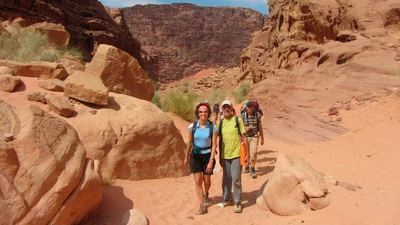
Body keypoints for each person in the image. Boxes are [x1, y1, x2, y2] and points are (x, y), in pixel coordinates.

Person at [184, 102, 218, 215]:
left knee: (206, 181)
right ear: (198, 113)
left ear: (208, 113)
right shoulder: (192, 127)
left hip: (208, 156)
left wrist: (211, 161)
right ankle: (202, 205)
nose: (203, 113)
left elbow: (214, 145)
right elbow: (189, 142)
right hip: (195, 155)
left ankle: (206, 193)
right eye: (201, 112)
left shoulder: (213, 127)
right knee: (198, 181)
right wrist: (186, 156)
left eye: (205, 111)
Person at [217, 99, 249, 213]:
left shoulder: (237, 120)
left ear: (232, 109)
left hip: (236, 155)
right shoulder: (220, 123)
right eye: (224, 107)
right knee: (226, 179)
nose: (226, 109)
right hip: (224, 156)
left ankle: (238, 202)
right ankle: (227, 199)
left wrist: (247, 155)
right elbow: (219, 140)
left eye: (228, 107)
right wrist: (219, 156)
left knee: (236, 179)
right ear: (222, 109)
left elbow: (244, 137)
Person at [241, 101, 264, 178]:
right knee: (246, 152)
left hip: (254, 136)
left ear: (253, 107)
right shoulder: (243, 116)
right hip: (246, 136)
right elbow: (239, 126)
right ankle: (247, 165)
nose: (250, 108)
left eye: (251, 107)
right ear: (246, 108)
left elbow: (260, 126)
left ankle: (252, 167)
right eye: (248, 107)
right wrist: (245, 128)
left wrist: (262, 137)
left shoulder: (257, 115)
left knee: (253, 152)